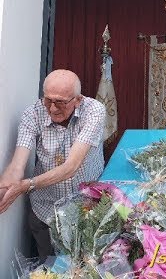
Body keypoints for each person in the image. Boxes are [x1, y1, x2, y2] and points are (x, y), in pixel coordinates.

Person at [0, 69, 106, 261]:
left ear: (78, 100)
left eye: (61, 102)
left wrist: (26, 185)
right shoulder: (32, 113)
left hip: (86, 208)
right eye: (48, 100)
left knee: (86, 266)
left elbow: (71, 167)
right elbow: (17, 166)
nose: (53, 108)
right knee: (50, 267)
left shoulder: (94, 110)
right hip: (45, 210)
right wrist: (4, 190)